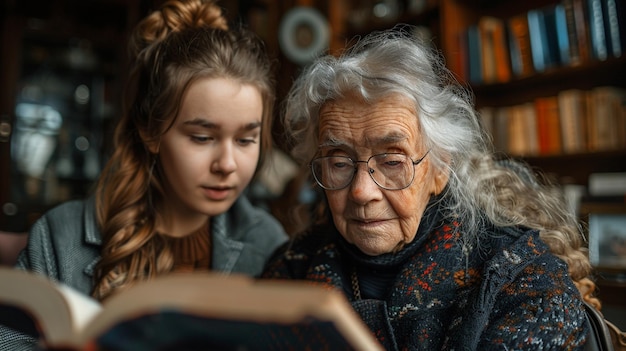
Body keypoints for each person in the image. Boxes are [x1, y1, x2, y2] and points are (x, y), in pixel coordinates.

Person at [261, 27, 592, 350]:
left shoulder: (520, 281)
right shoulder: (292, 266)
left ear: (439, 169)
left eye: (392, 162)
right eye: (339, 163)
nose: (362, 192)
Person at [1, 0, 288, 349]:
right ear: (151, 132)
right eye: (202, 138)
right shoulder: (60, 237)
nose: (227, 163)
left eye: (246, 139)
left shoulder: (267, 244)